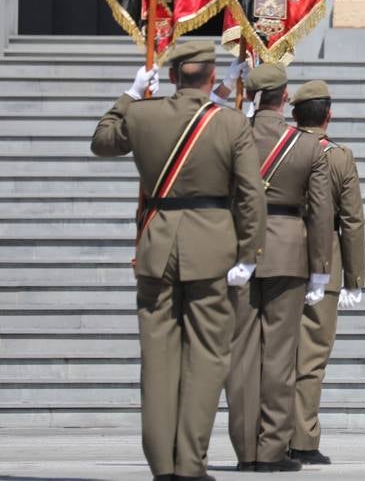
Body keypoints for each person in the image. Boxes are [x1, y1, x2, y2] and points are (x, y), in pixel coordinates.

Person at [91, 39, 265, 481]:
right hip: (212, 248)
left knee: (158, 359)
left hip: (156, 247)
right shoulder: (229, 124)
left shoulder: (142, 115)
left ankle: (162, 466)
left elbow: (102, 141)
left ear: (170, 77)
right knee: (207, 357)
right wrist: (249, 252)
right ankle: (190, 463)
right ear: (210, 77)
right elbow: (249, 195)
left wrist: (129, 95)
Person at [226, 62, 334, 473]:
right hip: (290, 249)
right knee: (280, 356)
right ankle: (271, 449)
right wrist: (321, 268)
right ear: (285, 97)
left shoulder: (233, 136)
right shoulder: (307, 145)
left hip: (238, 248)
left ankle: (244, 449)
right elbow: (322, 213)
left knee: (240, 356)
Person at [288, 80, 365, 466]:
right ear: (328, 116)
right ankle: (302, 438)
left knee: (274, 354)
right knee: (312, 358)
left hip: (278, 259)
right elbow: (351, 221)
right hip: (326, 264)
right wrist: (354, 277)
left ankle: (269, 435)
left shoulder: (279, 150)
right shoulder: (338, 157)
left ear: (294, 115)